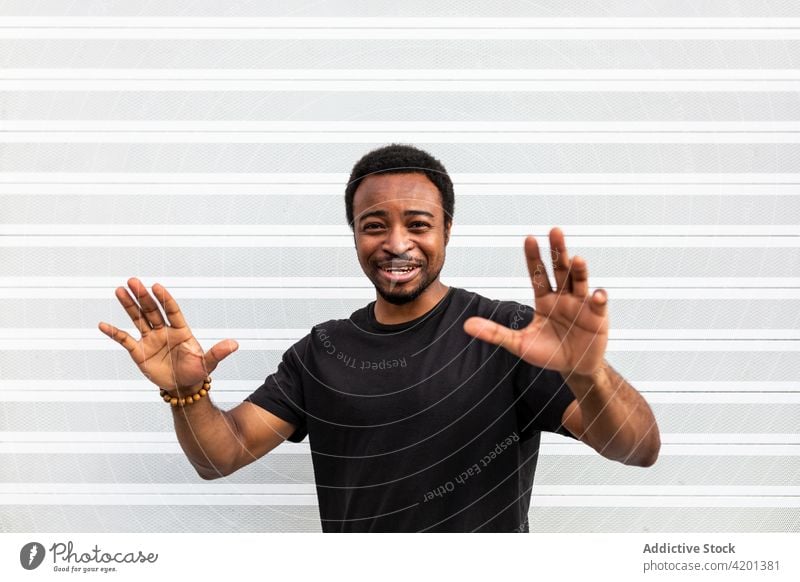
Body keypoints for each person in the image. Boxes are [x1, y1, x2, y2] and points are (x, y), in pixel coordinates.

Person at [98, 144, 660, 532]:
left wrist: (590, 374)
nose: (397, 243)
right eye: (374, 225)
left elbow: (638, 450)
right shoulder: (320, 353)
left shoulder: (509, 334)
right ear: (355, 235)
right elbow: (218, 456)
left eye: (418, 224)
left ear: (446, 232)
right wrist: (185, 394)